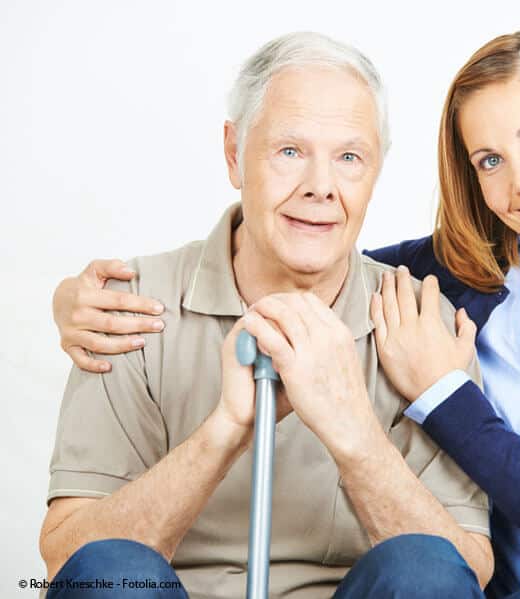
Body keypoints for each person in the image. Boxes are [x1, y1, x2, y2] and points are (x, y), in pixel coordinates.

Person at [50, 29, 520, 599]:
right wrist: (68, 300)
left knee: (429, 570)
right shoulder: (462, 274)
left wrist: (427, 401)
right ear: (236, 152)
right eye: (488, 159)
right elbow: (322, 249)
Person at [40, 32, 496, 599]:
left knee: (427, 566)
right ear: (234, 154)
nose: (321, 188)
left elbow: (464, 572)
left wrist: (352, 429)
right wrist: (227, 430)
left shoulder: (421, 326)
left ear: (377, 170)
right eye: (290, 151)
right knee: (110, 573)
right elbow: (69, 562)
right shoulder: (125, 307)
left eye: (349, 157)